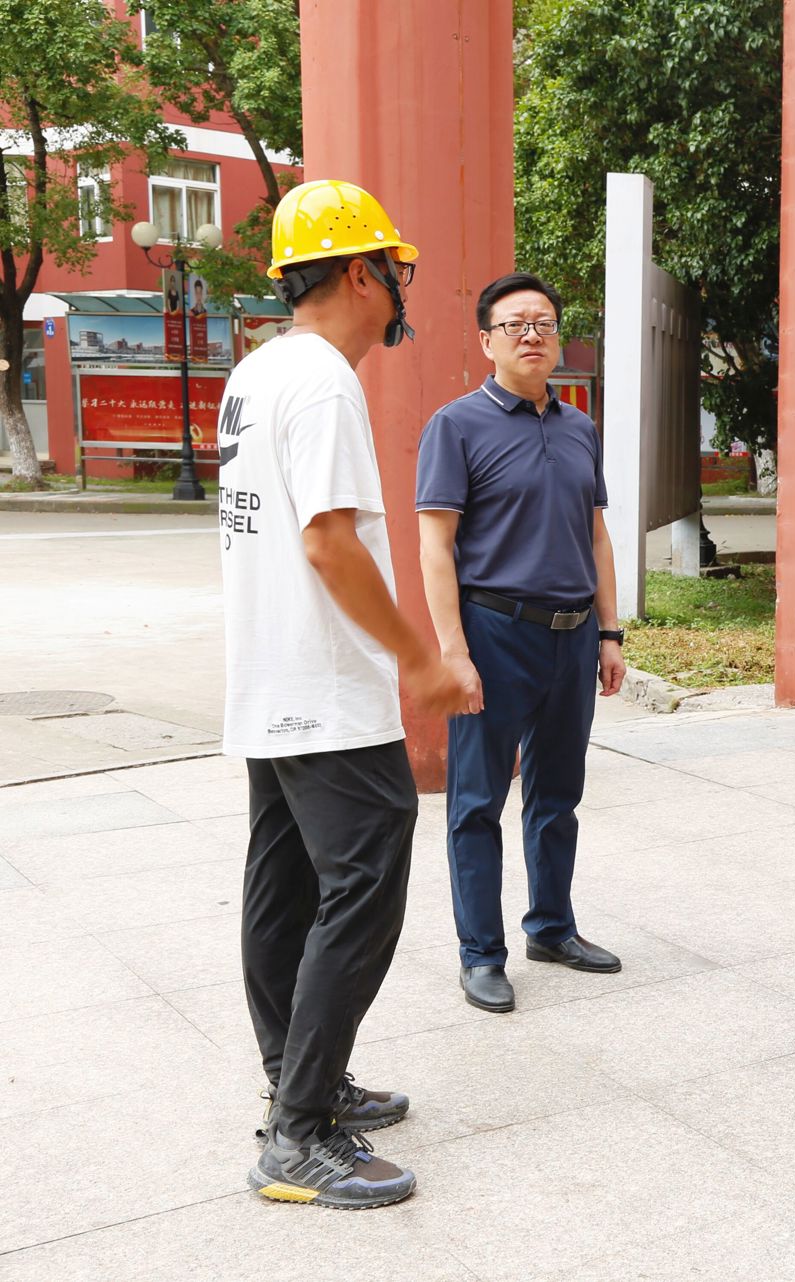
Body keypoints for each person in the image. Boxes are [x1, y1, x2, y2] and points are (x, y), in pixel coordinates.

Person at [218, 178, 464, 1209]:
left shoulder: (257, 372)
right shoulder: (322, 382)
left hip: (271, 679)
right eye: (395, 269)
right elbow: (329, 542)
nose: (402, 287)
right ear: (362, 274)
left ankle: (298, 1082)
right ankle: (301, 1133)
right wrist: (417, 656)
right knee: (362, 887)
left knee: (284, 889)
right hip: (324, 687)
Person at [416, 271, 627, 1014]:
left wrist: (609, 632)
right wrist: (454, 651)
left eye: (543, 322)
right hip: (493, 631)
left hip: (573, 636)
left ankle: (552, 928)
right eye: (514, 324)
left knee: (558, 795)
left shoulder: (579, 428)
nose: (531, 334)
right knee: (477, 801)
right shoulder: (456, 426)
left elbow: (596, 535)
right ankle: (481, 954)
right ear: (487, 341)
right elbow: (435, 546)